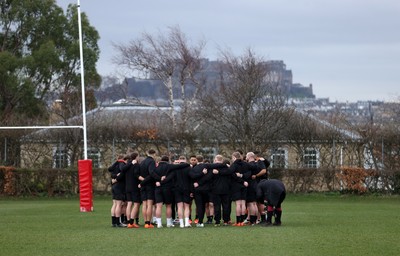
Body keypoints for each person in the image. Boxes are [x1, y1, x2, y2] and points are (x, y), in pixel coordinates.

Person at [152, 155, 190, 228]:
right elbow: (179, 167)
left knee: (158, 206)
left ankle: (159, 224)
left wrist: (158, 180)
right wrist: (187, 164)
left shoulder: (155, 168)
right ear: (168, 160)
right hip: (167, 188)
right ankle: (169, 223)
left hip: (158, 188)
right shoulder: (169, 166)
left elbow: (151, 175)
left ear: (160, 161)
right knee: (168, 206)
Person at [210, 155, 233, 226]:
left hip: (216, 189)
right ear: (222, 160)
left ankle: (217, 221)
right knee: (226, 206)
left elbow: (209, 179)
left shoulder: (213, 168)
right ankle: (226, 220)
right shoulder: (227, 168)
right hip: (226, 189)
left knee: (217, 206)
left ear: (215, 160)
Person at [229, 151, 250, 226]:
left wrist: (239, 179)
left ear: (234, 157)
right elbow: (248, 174)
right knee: (243, 203)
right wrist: (243, 179)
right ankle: (242, 221)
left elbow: (231, 174)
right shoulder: (245, 164)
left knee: (238, 204)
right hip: (245, 185)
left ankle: (238, 222)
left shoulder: (234, 165)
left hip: (236, 186)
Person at [120, 152, 141, 228]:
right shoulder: (136, 165)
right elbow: (136, 175)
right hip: (134, 187)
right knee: (136, 204)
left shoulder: (127, 165)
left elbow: (123, 170)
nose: (139, 158)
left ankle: (129, 221)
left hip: (127, 187)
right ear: (136, 157)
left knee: (129, 204)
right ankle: (131, 221)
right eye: (138, 156)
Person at [171, 155, 193, 228]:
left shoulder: (175, 168)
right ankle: (186, 222)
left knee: (179, 206)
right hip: (186, 188)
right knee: (186, 206)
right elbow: (191, 179)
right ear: (185, 160)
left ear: (179, 160)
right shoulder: (189, 168)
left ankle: (181, 223)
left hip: (177, 188)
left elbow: (172, 179)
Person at [138, 149, 157, 228]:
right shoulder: (152, 161)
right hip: (149, 185)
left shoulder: (142, 162)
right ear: (154, 154)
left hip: (143, 186)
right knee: (149, 204)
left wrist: (142, 182)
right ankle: (148, 223)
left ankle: (146, 221)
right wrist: (158, 178)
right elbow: (151, 173)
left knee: (144, 204)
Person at [108, 154, 128, 227]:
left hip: (114, 186)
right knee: (119, 205)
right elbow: (123, 171)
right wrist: (118, 176)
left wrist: (115, 176)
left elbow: (111, 171)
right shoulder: (122, 164)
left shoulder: (115, 165)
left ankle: (114, 222)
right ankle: (118, 222)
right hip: (119, 186)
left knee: (115, 204)